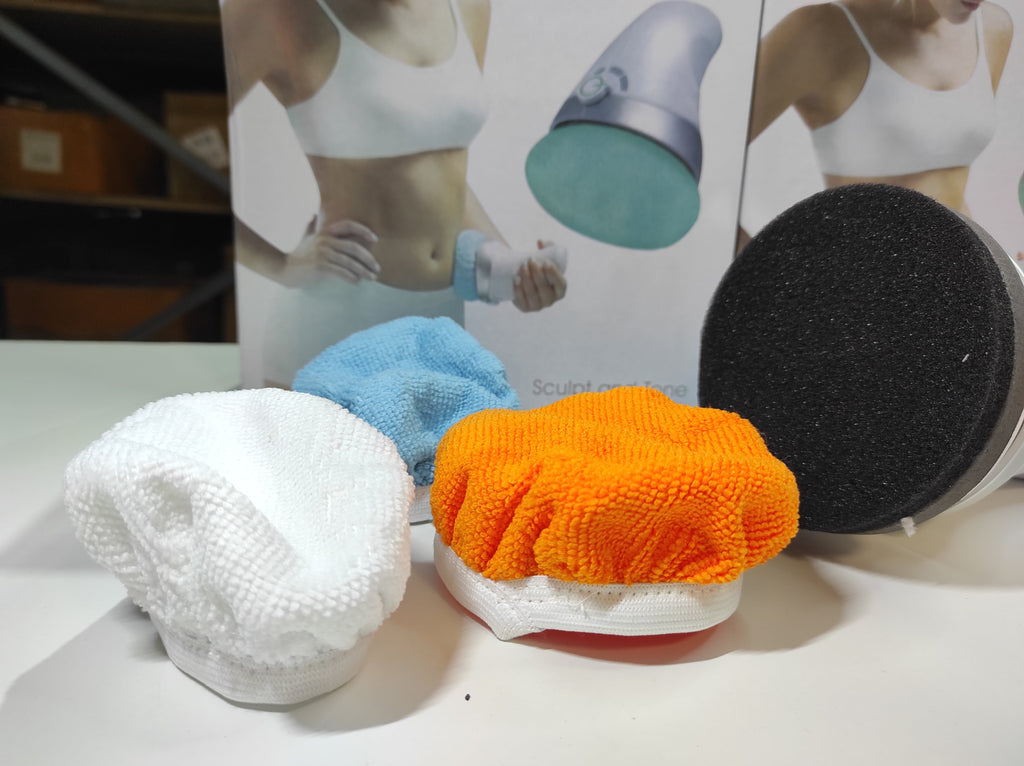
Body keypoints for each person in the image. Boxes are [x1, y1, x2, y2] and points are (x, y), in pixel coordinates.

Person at [220, 0, 568, 383]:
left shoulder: (468, 6)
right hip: (334, 327)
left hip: (439, 326)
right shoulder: (278, 10)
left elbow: (437, 167)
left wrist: (512, 271)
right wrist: (282, 267)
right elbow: (187, 150)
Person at [742, 0, 1014, 250]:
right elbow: (720, 152)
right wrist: (766, 276)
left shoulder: (993, 28)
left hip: (963, 271)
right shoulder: (819, 31)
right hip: (859, 277)